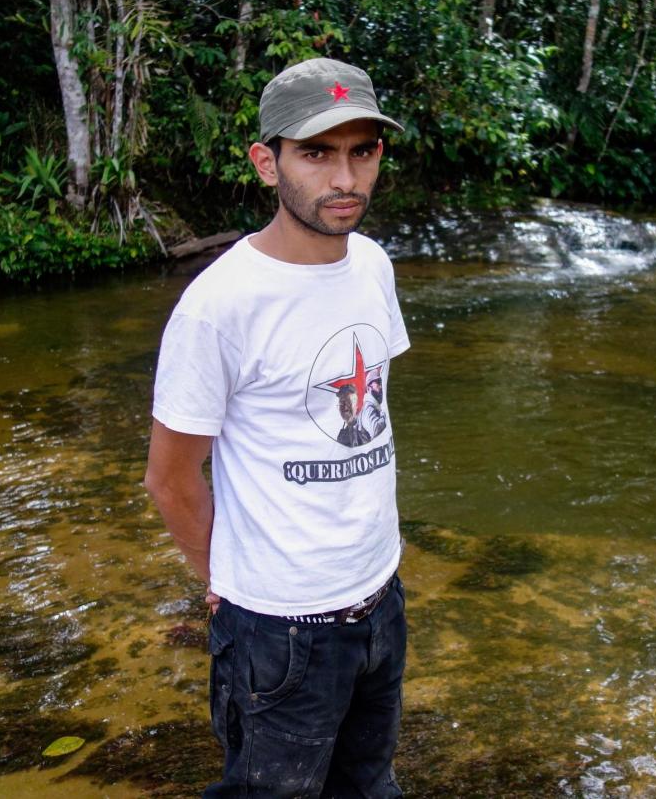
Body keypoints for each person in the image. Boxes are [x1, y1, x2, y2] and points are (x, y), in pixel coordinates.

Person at [144, 57, 410, 798]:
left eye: (363, 151)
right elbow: (170, 478)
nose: (345, 179)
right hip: (279, 628)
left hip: (381, 603)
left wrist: (379, 556)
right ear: (268, 162)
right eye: (318, 153)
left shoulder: (373, 267)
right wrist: (224, 583)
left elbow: (370, 414)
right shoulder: (219, 306)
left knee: (369, 785)